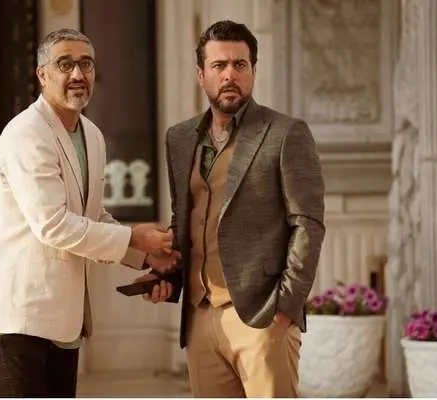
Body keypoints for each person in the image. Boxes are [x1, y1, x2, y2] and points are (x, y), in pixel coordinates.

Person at [0, 28, 177, 398]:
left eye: (86, 64)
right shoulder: (26, 134)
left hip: (61, 321)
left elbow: (90, 214)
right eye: (65, 64)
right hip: (15, 319)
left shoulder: (91, 135)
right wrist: (133, 237)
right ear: (42, 75)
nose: (78, 74)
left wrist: (146, 256)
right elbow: (54, 225)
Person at [137, 20, 326, 397]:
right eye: (219, 65)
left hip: (262, 318)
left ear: (253, 71)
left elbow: (308, 224)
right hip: (200, 318)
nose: (229, 75)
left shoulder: (285, 133)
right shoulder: (180, 138)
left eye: (240, 65)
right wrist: (167, 276)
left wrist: (284, 308)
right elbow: (186, 221)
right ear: (201, 74)